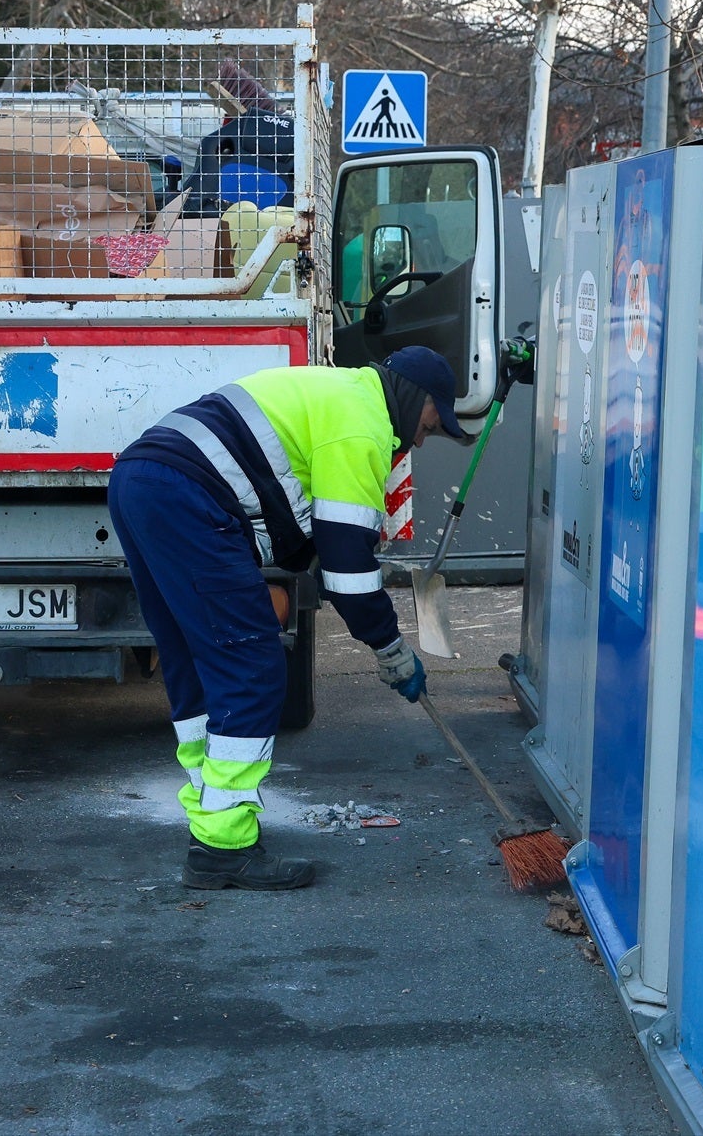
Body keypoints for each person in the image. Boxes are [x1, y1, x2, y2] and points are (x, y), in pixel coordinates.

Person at [106, 346, 467, 891]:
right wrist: (390, 650)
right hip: (189, 497)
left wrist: (325, 565)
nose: (420, 440)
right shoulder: (362, 425)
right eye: (430, 425)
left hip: (141, 480)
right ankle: (222, 848)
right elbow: (348, 571)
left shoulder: (339, 393)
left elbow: (305, 536)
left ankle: (214, 819)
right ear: (416, 398)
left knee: (194, 659)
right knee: (251, 666)